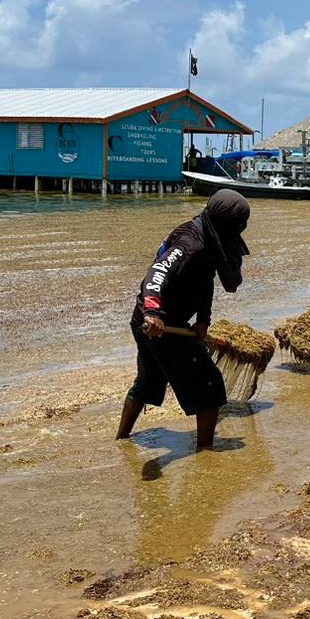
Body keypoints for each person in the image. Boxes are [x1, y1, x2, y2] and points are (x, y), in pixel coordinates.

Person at [117, 188, 251, 448]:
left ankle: (121, 441)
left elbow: (205, 282)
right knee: (210, 386)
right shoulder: (191, 243)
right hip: (160, 325)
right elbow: (156, 273)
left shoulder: (207, 237)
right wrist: (153, 313)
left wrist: (203, 321)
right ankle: (206, 453)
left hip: (149, 320)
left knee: (148, 383)